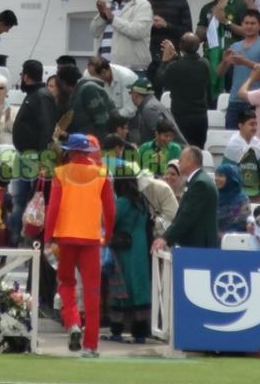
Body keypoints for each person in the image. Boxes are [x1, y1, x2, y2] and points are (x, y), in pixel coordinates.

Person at [45, 133, 115, 358]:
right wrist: (109, 234)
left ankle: (73, 322)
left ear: (71, 152)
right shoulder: (102, 174)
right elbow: (111, 210)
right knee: (92, 291)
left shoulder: (61, 174)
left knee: (66, 283)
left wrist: (48, 237)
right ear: (85, 152)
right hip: (91, 239)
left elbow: (53, 209)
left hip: (65, 238)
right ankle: (91, 345)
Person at [9, 59, 58, 244]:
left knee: (32, 198)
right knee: (19, 198)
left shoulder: (42, 96)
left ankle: (30, 240)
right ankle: (14, 240)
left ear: (26, 76)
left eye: (22, 74)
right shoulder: (34, 94)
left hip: (33, 157)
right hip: (24, 155)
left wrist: (42, 156)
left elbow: (47, 127)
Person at [107, 172, 152, 344]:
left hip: (124, 248)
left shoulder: (123, 202)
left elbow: (110, 220)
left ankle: (117, 330)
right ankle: (140, 332)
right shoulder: (142, 201)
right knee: (140, 288)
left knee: (121, 287)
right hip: (140, 245)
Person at [152, 145, 218, 250]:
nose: (178, 163)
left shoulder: (200, 183)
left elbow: (187, 216)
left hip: (200, 247)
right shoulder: (197, 181)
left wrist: (165, 238)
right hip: (196, 245)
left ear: (189, 161)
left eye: (181, 160)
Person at [219, 10, 260, 129]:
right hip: (235, 99)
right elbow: (219, 73)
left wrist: (244, 61)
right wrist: (224, 61)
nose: (249, 26)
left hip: (255, 99)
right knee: (231, 136)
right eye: (246, 23)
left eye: (253, 23)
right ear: (242, 24)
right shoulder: (235, 46)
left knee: (255, 138)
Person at [197, 0, 245, 105]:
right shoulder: (207, 8)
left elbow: (246, 33)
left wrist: (225, 21)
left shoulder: (238, 6)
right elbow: (199, 34)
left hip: (232, 59)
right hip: (210, 59)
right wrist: (213, 24)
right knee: (211, 99)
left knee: (230, 97)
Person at [91, 0, 153, 75]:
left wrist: (113, 19)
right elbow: (94, 32)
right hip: (106, 67)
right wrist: (102, 16)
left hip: (132, 68)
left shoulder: (142, 5)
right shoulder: (110, 5)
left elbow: (138, 32)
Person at [156, 33, 209, 147]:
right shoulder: (204, 64)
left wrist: (165, 60)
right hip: (201, 117)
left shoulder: (174, 67)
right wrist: (176, 57)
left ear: (180, 46)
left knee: (182, 150)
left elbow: (160, 80)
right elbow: (189, 66)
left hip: (181, 117)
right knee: (198, 151)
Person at [145, 0, 192, 85]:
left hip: (173, 60)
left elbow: (187, 32)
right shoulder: (145, 3)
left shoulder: (180, 2)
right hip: (149, 60)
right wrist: (149, 25)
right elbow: (138, 29)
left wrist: (166, 25)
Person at [223, 108, 260, 202]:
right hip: (237, 194)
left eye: (256, 124)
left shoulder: (259, 145)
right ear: (240, 125)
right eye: (251, 124)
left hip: (257, 195)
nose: (254, 127)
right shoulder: (233, 145)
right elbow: (225, 172)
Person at [62, 65, 116, 140]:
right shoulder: (74, 94)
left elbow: (102, 119)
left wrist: (97, 144)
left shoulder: (88, 89)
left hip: (97, 141)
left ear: (64, 82)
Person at [127, 78, 182, 146]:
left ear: (135, 94)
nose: (130, 96)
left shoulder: (150, 109)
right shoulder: (152, 104)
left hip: (174, 152)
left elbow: (164, 136)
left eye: (131, 93)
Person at [215, 162, 251, 238]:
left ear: (231, 179)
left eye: (221, 176)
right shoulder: (213, 196)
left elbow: (242, 223)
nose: (216, 179)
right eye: (216, 175)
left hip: (235, 240)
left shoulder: (242, 200)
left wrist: (224, 235)